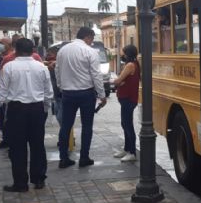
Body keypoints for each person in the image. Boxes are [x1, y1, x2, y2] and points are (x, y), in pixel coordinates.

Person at [0, 39, 53, 192]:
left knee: (17, 147)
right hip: (37, 109)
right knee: (38, 145)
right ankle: (39, 179)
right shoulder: (41, 67)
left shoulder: (9, 67)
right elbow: (48, 92)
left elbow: (1, 91)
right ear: (33, 50)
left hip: (16, 110)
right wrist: (45, 109)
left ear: (15, 50)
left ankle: (21, 183)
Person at [55, 27, 107, 168]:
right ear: (88, 37)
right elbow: (96, 75)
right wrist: (102, 95)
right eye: (92, 39)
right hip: (86, 93)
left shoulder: (63, 50)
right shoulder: (90, 51)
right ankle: (84, 157)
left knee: (65, 126)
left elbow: (57, 70)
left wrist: (61, 86)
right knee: (87, 126)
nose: (92, 42)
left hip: (67, 93)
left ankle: (63, 158)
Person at [113, 45, 140, 162]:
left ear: (127, 54)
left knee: (128, 125)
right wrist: (120, 82)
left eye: (123, 53)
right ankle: (127, 148)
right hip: (127, 98)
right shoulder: (134, 64)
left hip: (128, 99)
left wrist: (117, 81)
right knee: (125, 124)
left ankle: (132, 152)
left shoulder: (130, 65)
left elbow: (118, 81)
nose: (122, 55)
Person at [0, 38, 13, 149]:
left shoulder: (8, 59)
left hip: (6, 93)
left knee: (6, 119)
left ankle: (8, 139)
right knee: (2, 118)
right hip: (1, 91)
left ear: (9, 45)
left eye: (1, 43)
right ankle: (6, 139)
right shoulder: (0, 57)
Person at [45, 48, 63, 126]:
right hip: (55, 93)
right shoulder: (47, 64)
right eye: (48, 54)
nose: (48, 56)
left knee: (60, 114)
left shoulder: (59, 63)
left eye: (50, 54)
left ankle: (65, 129)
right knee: (57, 110)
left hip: (60, 91)